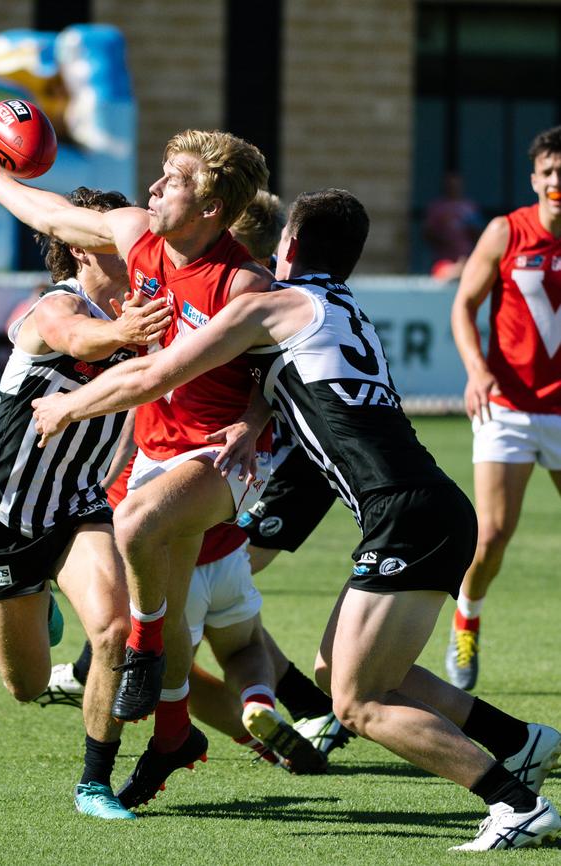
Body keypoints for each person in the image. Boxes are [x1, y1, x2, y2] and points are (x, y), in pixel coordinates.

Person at [31, 188, 561, 849]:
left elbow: (157, 374)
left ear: (287, 249)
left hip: (405, 515)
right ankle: (522, 742)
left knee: (358, 704)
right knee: (337, 672)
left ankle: (515, 805)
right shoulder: (339, 304)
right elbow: (287, 381)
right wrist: (255, 420)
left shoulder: (269, 306)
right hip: (422, 505)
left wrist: (67, 409)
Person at [0, 129, 274, 794]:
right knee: (27, 685)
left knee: (135, 553)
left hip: (198, 465)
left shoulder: (243, 285)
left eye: (170, 181)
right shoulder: (123, 248)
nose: (151, 190)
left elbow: (274, 370)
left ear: (209, 207)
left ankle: (119, 720)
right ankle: (175, 729)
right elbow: (53, 223)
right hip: (47, 497)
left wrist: (251, 418)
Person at [0, 185, 172, 821]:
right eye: (106, 241)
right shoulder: (53, 307)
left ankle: (94, 783)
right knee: (25, 686)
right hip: (4, 519)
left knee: (111, 627)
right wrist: (125, 332)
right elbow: (78, 340)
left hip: (79, 508)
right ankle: (38, 602)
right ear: (79, 251)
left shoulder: (144, 311)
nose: (127, 250)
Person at [445, 126, 561, 692]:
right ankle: (467, 615)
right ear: (535, 179)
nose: (558, 181)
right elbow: (464, 306)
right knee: (490, 536)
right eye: (549, 172)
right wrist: (477, 370)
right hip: (508, 409)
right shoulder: (505, 231)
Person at [423, 172, 483, 280]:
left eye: (456, 185)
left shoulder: (469, 207)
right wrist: (444, 240)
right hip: (442, 260)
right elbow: (428, 233)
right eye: (450, 185)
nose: (453, 188)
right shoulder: (437, 207)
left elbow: (479, 234)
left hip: (465, 257)